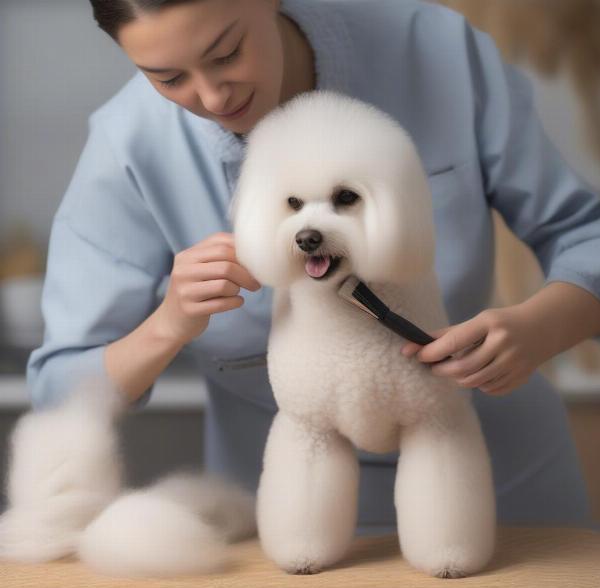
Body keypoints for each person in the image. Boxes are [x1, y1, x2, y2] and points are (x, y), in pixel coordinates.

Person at [27, 0, 600, 533]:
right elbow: (60, 390)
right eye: (168, 79)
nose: (214, 96)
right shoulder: (128, 145)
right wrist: (168, 324)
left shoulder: (436, 49)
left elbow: (584, 235)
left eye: (227, 53)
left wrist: (542, 326)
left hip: (499, 496)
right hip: (280, 518)